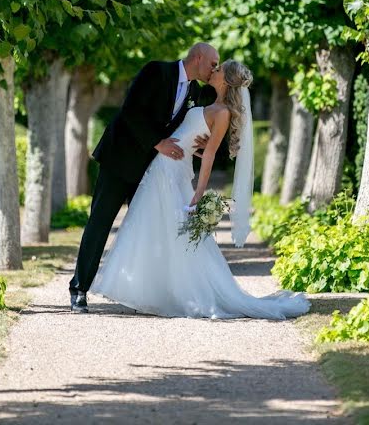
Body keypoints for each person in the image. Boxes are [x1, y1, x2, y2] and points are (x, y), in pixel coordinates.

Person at [90, 59, 310, 319]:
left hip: (172, 170)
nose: (213, 71)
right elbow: (196, 140)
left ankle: (172, 293)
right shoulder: (209, 101)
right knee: (155, 226)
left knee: (162, 226)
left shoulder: (223, 113)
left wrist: (200, 192)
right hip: (164, 165)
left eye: (218, 70)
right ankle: (154, 290)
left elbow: (210, 155)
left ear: (226, 81)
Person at [69, 43, 219, 312]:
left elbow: (182, 128)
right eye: (213, 63)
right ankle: (79, 289)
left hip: (150, 171)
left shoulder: (195, 92)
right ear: (198, 57)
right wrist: (157, 143)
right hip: (119, 159)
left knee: (147, 229)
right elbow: (130, 111)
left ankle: (141, 294)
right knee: (100, 223)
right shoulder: (156, 71)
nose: (214, 69)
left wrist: (192, 147)